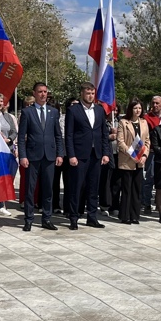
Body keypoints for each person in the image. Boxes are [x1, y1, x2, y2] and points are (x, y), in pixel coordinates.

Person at [17, 82, 65, 231]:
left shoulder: (53, 112)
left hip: (49, 156)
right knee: (30, 189)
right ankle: (28, 219)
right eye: (40, 92)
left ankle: (46, 218)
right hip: (32, 156)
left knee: (48, 189)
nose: (43, 94)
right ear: (34, 93)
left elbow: (58, 135)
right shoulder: (27, 112)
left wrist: (60, 154)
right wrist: (23, 156)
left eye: (45, 91)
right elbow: (21, 137)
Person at [64, 83, 111, 229]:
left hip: (96, 155)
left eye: (92, 93)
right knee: (76, 187)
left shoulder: (99, 110)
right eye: (87, 93)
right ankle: (73, 217)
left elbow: (104, 133)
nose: (90, 96)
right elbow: (69, 135)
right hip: (79, 155)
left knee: (93, 187)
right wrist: (71, 155)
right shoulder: (73, 110)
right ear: (82, 94)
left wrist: (105, 153)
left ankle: (92, 217)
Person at [117, 98, 150, 224]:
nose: (138, 110)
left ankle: (135, 215)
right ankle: (125, 215)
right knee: (127, 188)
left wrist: (144, 156)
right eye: (135, 108)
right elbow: (120, 141)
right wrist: (132, 154)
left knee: (136, 188)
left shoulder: (144, 122)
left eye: (140, 108)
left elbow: (147, 141)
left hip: (140, 161)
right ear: (130, 109)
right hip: (127, 160)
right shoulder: (123, 122)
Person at [141, 95, 161, 214]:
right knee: (149, 178)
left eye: (157, 103)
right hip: (151, 153)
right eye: (153, 103)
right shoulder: (146, 118)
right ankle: (147, 203)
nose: (155, 105)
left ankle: (160, 203)